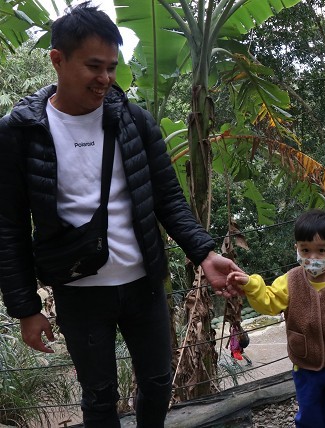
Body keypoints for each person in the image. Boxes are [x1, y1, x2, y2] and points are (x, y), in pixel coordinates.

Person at [0, 3, 240, 427]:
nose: (106, 78)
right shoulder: (20, 132)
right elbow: (9, 228)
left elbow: (168, 198)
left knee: (158, 382)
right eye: (94, 66)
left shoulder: (133, 121)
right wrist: (26, 308)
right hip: (79, 289)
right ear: (58, 59)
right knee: (99, 397)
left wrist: (204, 253)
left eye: (111, 67)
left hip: (143, 282)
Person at [225, 209, 325, 427]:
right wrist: (251, 285)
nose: (312, 258)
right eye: (305, 250)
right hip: (305, 366)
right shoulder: (290, 281)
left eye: (321, 250)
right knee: (309, 413)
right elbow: (269, 302)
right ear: (296, 248)